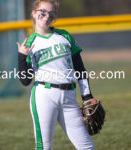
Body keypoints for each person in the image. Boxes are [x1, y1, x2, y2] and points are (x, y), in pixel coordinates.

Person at [17, 0, 95, 149]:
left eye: (51, 14)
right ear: (34, 13)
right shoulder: (30, 43)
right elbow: (25, 81)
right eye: (43, 12)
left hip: (69, 97)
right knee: (44, 146)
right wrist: (21, 56)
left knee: (87, 146)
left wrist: (87, 96)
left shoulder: (64, 36)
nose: (47, 17)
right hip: (44, 96)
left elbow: (79, 68)